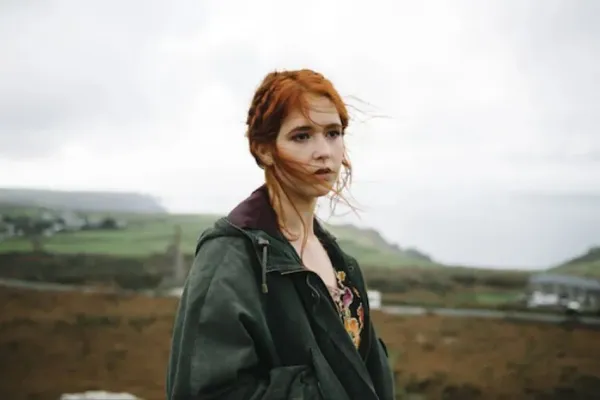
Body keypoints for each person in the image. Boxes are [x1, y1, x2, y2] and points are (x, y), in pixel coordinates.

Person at [166, 69, 395, 400]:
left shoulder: (341, 263)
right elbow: (205, 391)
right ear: (264, 149)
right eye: (302, 136)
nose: (324, 151)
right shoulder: (229, 258)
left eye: (333, 133)